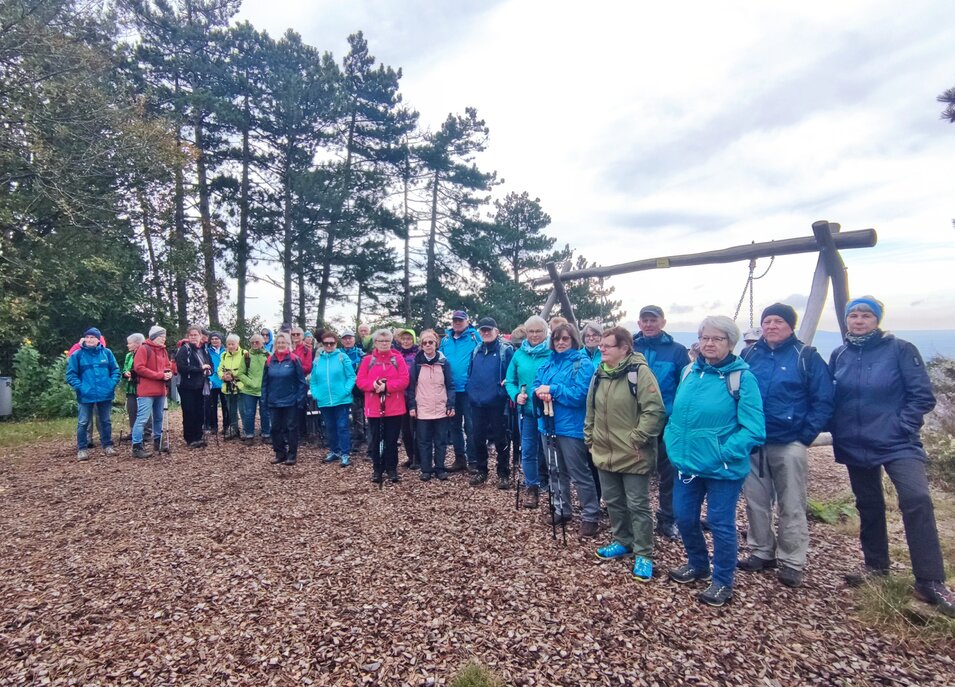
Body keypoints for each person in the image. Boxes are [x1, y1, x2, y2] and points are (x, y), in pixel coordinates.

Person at [829, 296, 954, 617]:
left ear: (877, 319)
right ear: (846, 320)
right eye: (853, 315)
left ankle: (930, 579)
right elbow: (831, 396)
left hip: (897, 441)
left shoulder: (900, 349)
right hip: (855, 440)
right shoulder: (840, 353)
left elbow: (921, 395)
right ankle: (876, 566)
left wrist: (902, 426)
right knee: (868, 503)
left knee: (917, 498)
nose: (858, 320)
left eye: (866, 315)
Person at [665, 316, 765, 607]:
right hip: (687, 464)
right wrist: (671, 441)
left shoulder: (741, 378)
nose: (709, 343)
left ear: (731, 343)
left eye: (717, 339)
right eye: (705, 338)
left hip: (723, 468)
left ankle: (722, 580)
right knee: (684, 518)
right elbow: (678, 416)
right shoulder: (688, 372)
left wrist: (721, 452)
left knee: (721, 524)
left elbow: (754, 429)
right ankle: (697, 563)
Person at [737, 304, 834, 588]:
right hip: (755, 439)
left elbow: (823, 399)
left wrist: (804, 435)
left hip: (789, 439)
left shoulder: (806, 357)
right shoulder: (750, 354)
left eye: (778, 321)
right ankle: (761, 550)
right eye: (767, 321)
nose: (771, 326)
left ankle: (792, 560)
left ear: (790, 325)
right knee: (756, 500)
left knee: (791, 502)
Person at [585, 326, 666, 580]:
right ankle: (622, 540)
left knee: (638, 504)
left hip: (633, 452)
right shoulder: (600, 373)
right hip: (604, 450)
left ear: (624, 348)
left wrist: (638, 438)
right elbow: (591, 409)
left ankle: (644, 553)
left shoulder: (639, 373)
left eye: (608, 345)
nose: (602, 349)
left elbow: (654, 411)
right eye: (601, 345)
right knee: (613, 501)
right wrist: (590, 437)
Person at [534, 323, 599, 536]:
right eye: (557, 339)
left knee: (579, 472)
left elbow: (580, 395)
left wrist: (552, 390)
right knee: (555, 470)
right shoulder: (547, 364)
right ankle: (561, 507)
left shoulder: (583, 364)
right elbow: (537, 384)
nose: (560, 343)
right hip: (548, 424)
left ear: (573, 340)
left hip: (571, 427)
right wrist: (539, 393)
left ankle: (590, 514)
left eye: (565, 339)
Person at [633, 305, 691, 541]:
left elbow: (685, 385)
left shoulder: (677, 351)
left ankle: (667, 518)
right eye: (644, 320)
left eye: (653, 320)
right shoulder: (631, 347)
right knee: (636, 469)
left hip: (667, 420)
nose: (648, 324)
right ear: (639, 323)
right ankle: (635, 515)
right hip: (636, 419)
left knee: (669, 472)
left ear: (662, 322)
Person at [504, 315, 552, 508]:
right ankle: (531, 486)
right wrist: (516, 395)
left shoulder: (552, 352)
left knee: (549, 450)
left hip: (548, 410)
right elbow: (510, 380)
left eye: (538, 331)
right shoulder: (519, 354)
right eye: (531, 331)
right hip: (527, 411)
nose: (534, 335)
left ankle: (553, 485)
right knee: (528, 449)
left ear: (545, 332)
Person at [357, 328, 410, 483]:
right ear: (375, 343)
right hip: (374, 407)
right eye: (381, 341)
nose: (384, 344)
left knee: (391, 440)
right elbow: (360, 381)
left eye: (387, 341)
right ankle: (377, 469)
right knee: (376, 439)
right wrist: (373, 385)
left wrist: (388, 387)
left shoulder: (397, 359)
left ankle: (392, 468)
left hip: (394, 407)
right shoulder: (367, 360)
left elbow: (404, 380)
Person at [466, 317, 514, 488]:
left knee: (501, 439)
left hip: (497, 403)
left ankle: (503, 473)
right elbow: (470, 372)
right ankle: (482, 470)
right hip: (477, 402)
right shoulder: (476, 350)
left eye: (489, 330)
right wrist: (470, 391)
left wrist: (501, 392)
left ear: (496, 331)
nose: (486, 333)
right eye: (483, 330)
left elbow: (511, 375)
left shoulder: (505, 351)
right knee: (478, 437)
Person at [65, 327, 119, 461]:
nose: (89, 340)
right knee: (83, 422)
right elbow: (71, 375)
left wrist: (110, 384)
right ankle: (82, 449)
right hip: (85, 395)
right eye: (87, 337)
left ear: (98, 339)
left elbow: (116, 371)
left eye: (92, 337)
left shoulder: (107, 353)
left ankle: (107, 445)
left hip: (105, 394)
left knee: (105, 421)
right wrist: (81, 387)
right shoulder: (77, 355)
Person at [407, 329, 455, 482]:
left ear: (436, 344)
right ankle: (426, 469)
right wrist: (412, 406)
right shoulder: (416, 364)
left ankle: (440, 468)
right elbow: (411, 387)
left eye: (431, 342)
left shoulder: (444, 363)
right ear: (421, 345)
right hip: (423, 408)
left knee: (441, 440)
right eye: (424, 343)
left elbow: (450, 385)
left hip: (441, 407)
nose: (428, 345)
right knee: (424, 441)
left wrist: (450, 404)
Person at [439, 310, 480, 472]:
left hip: (469, 388)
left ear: (467, 321)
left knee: (471, 425)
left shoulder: (474, 337)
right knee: (454, 425)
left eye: (460, 320)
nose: (457, 322)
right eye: (455, 320)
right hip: (450, 389)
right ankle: (459, 458)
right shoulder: (446, 340)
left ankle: (473, 460)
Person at [311, 330, 356, 467]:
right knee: (329, 427)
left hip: (341, 399)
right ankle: (334, 451)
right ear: (322, 344)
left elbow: (351, 376)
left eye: (332, 343)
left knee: (342, 426)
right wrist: (316, 394)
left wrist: (346, 390)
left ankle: (345, 453)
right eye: (326, 343)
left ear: (336, 343)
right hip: (324, 400)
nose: (329, 345)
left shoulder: (342, 357)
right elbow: (313, 380)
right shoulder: (318, 361)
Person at [261, 332, 307, 465]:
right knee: (275, 428)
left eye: (283, 343)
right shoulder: (269, 360)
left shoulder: (294, 359)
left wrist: (300, 399)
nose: (281, 345)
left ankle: (292, 455)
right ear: (275, 345)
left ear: (288, 344)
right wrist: (264, 399)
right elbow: (264, 382)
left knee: (291, 427)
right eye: (278, 343)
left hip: (290, 400)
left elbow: (301, 381)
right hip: (273, 400)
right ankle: (280, 453)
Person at [132, 325, 173, 457]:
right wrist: (160, 375)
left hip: (160, 390)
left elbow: (167, 366)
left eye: (164, 337)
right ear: (154, 337)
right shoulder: (144, 348)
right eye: (161, 336)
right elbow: (139, 368)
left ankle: (158, 442)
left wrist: (168, 373)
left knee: (158, 418)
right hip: (146, 390)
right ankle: (137, 447)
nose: (163, 339)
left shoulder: (163, 351)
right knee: (142, 419)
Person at [175, 325, 213, 449]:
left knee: (199, 411)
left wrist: (209, 371)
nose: (193, 337)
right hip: (187, 386)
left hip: (201, 385)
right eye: (191, 335)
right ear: (188, 336)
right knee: (189, 412)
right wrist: (199, 369)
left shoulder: (204, 349)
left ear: (201, 336)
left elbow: (210, 364)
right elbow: (181, 367)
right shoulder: (184, 349)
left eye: (195, 335)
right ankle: (190, 438)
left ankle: (199, 436)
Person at [393, 328, 420, 468]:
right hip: (400, 395)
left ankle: (418, 457)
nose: (406, 341)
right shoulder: (396, 354)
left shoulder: (418, 354)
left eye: (409, 338)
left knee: (415, 428)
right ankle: (410, 455)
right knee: (405, 429)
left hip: (415, 394)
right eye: (403, 338)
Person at [238, 333, 271, 444]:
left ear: (262, 343)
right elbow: (241, 373)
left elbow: (272, 371)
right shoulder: (246, 356)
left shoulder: (268, 355)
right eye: (252, 342)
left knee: (265, 412)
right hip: (249, 390)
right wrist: (250, 383)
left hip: (264, 389)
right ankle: (249, 435)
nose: (254, 344)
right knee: (249, 413)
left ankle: (266, 434)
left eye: (257, 342)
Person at [122, 333, 151, 443]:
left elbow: (144, 369)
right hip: (131, 388)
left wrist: (134, 374)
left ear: (137, 344)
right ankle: (134, 431)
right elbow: (125, 368)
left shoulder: (145, 353)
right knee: (132, 409)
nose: (127, 345)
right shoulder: (129, 355)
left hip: (142, 387)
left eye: (129, 343)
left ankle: (147, 432)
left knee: (144, 410)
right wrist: (126, 373)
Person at [341, 328, 366, 447]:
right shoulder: (338, 353)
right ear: (341, 340)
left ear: (354, 339)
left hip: (357, 388)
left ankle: (359, 437)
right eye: (345, 338)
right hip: (342, 387)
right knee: (343, 414)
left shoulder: (360, 353)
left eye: (350, 338)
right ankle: (345, 437)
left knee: (358, 413)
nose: (347, 340)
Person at [217, 334, 245, 439]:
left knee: (243, 410)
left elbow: (246, 369)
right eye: (229, 344)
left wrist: (233, 375)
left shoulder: (244, 353)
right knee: (231, 409)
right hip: (227, 387)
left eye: (233, 344)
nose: (231, 346)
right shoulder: (224, 355)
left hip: (241, 386)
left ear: (238, 343)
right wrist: (223, 376)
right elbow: (219, 369)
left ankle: (245, 430)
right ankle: (234, 429)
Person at [205, 331, 227, 436]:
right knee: (212, 406)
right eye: (212, 339)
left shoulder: (225, 351)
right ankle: (214, 426)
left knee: (225, 405)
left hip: (224, 381)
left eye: (216, 339)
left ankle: (227, 426)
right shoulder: (207, 351)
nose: (214, 341)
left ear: (220, 340)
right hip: (212, 381)